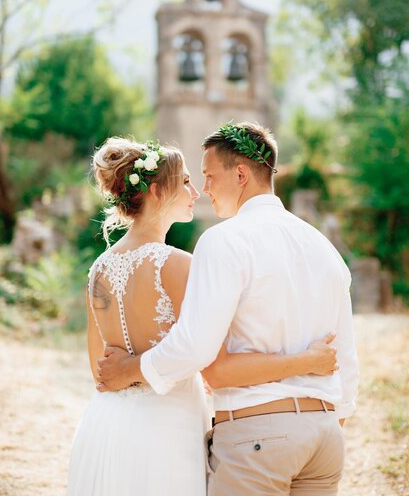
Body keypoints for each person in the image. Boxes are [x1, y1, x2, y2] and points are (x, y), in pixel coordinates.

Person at [98, 122, 359, 496]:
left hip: (257, 439)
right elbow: (345, 357)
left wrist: (132, 368)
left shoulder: (224, 241)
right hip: (325, 440)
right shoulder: (323, 248)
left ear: (240, 174)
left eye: (208, 175)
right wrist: (331, 421)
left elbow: (196, 349)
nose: (203, 189)